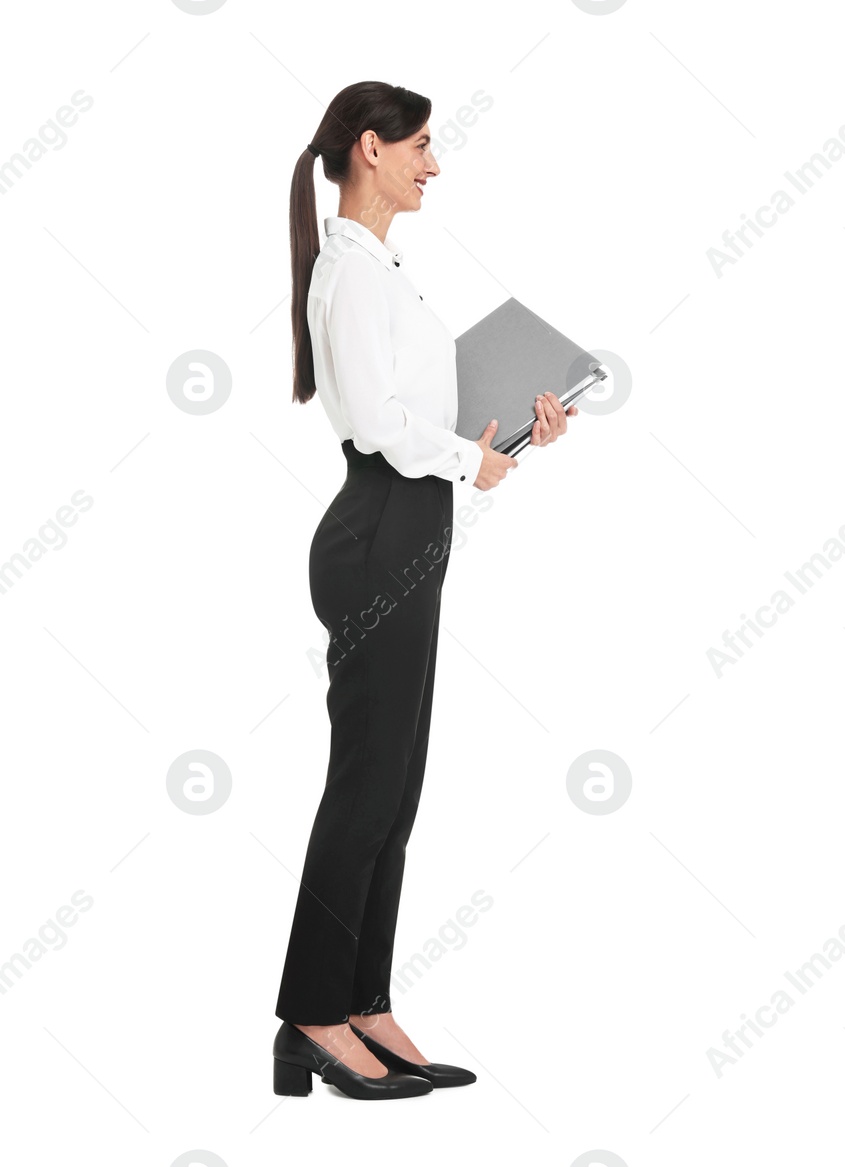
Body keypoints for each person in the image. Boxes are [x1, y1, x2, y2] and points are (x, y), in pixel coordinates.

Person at [272, 81, 577, 1101]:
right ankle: (311, 1017)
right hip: (377, 526)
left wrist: (513, 432)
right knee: (365, 786)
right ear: (371, 148)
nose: (433, 165)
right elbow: (372, 424)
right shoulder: (351, 277)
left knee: (394, 790)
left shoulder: (379, 270)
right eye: (421, 146)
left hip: (407, 526)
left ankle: (362, 1002)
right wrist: (466, 462)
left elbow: (417, 406)